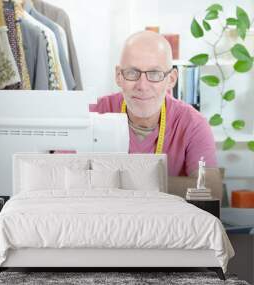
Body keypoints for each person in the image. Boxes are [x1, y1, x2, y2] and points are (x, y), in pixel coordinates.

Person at [90, 31, 223, 199]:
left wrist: (129, 183)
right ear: (118, 76)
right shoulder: (92, 113)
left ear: (172, 79)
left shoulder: (192, 124)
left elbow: (211, 189)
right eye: (132, 72)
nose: (143, 86)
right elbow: (57, 177)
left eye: (155, 74)